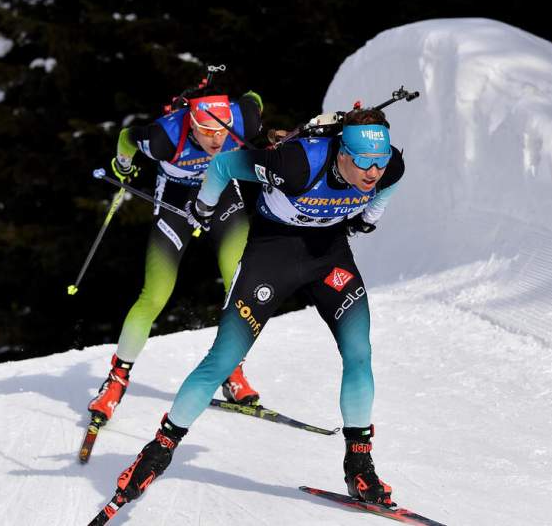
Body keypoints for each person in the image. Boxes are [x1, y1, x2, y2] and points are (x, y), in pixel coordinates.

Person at [108, 107, 405, 508]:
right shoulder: (296, 165)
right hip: (272, 257)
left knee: (359, 354)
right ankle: (158, 451)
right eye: (364, 162)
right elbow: (226, 163)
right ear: (340, 152)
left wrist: (370, 216)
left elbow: (392, 180)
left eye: (380, 161)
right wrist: (204, 207)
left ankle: (359, 467)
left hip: (328, 256)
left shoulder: (389, 167)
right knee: (223, 358)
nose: (373, 172)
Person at [87, 91, 265, 427]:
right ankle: (116, 380)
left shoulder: (244, 120)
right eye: (207, 131)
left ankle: (231, 369)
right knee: (154, 294)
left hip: (223, 192)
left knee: (239, 284)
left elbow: (253, 98)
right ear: (192, 125)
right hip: (176, 199)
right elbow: (127, 137)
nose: (217, 139)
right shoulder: (163, 137)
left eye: (223, 131)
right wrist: (122, 165)